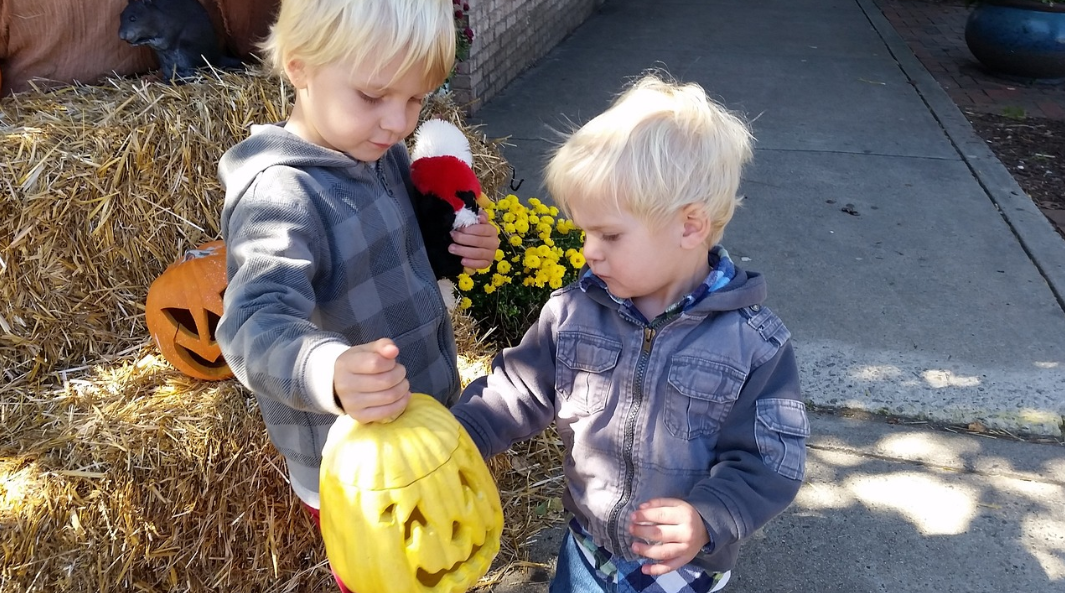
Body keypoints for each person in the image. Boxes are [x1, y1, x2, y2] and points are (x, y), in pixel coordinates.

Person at [450, 73, 809, 593]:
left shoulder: (753, 344)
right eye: (585, 232)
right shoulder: (575, 311)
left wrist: (708, 516)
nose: (590, 250)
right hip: (587, 545)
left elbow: (769, 459)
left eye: (610, 234)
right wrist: (459, 436)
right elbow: (517, 390)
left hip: (680, 566)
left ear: (690, 227)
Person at [215, 0, 499, 589]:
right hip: (357, 464)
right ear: (301, 68)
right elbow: (251, 321)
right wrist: (330, 370)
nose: (398, 122)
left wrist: (457, 247)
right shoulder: (279, 195)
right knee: (390, 578)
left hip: (422, 425)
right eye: (374, 96)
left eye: (416, 99)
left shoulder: (379, 154)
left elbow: (393, 248)